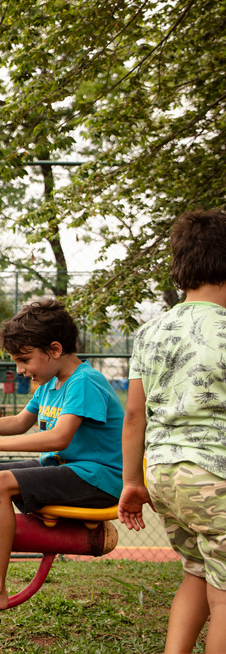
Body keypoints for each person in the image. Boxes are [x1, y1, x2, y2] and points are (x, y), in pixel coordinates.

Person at [0, 298, 123, 615]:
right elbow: (20, 422)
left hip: (98, 480)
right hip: (68, 469)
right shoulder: (50, 382)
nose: (20, 370)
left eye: (24, 359)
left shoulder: (85, 382)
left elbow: (59, 436)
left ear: (54, 349)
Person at [118, 209, 226, 654]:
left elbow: (133, 415)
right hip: (215, 477)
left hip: (163, 475)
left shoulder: (150, 331)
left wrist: (131, 482)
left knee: (196, 573)